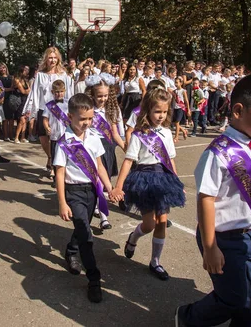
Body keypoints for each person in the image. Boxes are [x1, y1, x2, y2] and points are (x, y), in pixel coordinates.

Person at [176, 74, 251, 327]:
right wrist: (210, 246)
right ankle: (188, 317)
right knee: (233, 298)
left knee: (250, 297)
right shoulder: (218, 153)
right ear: (238, 110)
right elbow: (206, 199)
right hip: (224, 238)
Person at [110, 88, 186, 281]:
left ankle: (155, 261)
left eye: (164, 112)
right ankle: (133, 238)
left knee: (162, 222)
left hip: (163, 178)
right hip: (144, 179)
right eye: (156, 111)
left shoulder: (167, 133)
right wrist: (118, 187)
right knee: (149, 224)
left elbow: (170, 160)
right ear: (147, 111)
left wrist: (175, 180)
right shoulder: (138, 134)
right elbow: (128, 161)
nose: (160, 116)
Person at [53, 93, 118, 303]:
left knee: (83, 226)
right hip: (73, 192)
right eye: (82, 119)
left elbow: (100, 166)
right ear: (70, 117)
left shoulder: (93, 137)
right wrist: (62, 202)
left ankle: (71, 251)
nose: (87, 123)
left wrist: (110, 188)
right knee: (86, 235)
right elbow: (60, 173)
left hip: (91, 190)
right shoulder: (64, 142)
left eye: (90, 119)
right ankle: (94, 279)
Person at [85, 73, 125, 230]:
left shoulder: (112, 110)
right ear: (93, 95)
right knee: (96, 182)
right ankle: (102, 215)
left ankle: (102, 214)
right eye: (99, 96)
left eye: (106, 95)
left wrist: (126, 148)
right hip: (91, 149)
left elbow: (115, 133)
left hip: (106, 148)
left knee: (103, 181)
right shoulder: (88, 110)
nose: (103, 99)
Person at [23, 47, 73, 172]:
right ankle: (50, 157)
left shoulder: (63, 75)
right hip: (44, 109)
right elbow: (34, 93)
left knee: (57, 137)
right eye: (50, 57)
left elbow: (68, 93)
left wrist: (70, 110)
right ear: (46, 59)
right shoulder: (40, 75)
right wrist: (31, 111)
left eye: (55, 58)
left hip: (59, 110)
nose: (52, 60)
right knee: (43, 136)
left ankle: (56, 164)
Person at [43, 80, 69, 180]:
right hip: (55, 135)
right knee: (55, 157)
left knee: (66, 156)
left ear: (65, 91)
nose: (59, 94)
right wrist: (47, 127)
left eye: (61, 91)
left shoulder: (68, 104)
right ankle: (56, 178)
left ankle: (65, 177)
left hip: (66, 135)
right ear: (52, 92)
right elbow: (45, 119)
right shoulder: (49, 106)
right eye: (57, 92)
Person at [13, 65, 31, 143]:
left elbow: (29, 90)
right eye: (25, 70)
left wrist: (28, 91)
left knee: (25, 119)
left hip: (26, 100)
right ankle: (16, 137)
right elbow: (23, 91)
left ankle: (22, 137)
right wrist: (28, 91)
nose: (26, 72)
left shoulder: (25, 80)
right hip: (20, 100)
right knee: (21, 119)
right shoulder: (17, 80)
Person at [172, 77, 190, 142]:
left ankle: (176, 137)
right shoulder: (174, 91)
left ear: (181, 83)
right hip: (175, 108)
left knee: (177, 122)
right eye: (175, 82)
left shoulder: (183, 91)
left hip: (181, 108)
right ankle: (184, 130)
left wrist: (188, 109)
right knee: (175, 123)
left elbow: (186, 100)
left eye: (177, 82)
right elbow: (173, 100)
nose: (176, 84)